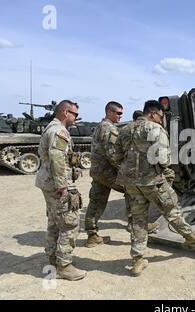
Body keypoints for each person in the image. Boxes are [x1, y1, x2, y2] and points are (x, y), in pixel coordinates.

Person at [115, 100, 195, 276]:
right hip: (152, 181)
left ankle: (138, 259)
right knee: (171, 210)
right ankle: (190, 237)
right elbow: (163, 158)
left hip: (131, 183)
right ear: (152, 113)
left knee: (138, 219)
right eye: (160, 115)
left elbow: (117, 156)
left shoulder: (125, 130)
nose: (160, 119)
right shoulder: (155, 129)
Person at [85, 102, 158, 247]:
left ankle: (92, 235)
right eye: (118, 113)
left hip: (98, 171)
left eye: (121, 114)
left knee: (96, 201)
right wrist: (127, 170)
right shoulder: (109, 128)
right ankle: (134, 225)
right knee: (132, 191)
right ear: (109, 112)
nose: (120, 116)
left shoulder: (101, 126)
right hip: (108, 172)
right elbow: (113, 155)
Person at [35, 100, 86, 281]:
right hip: (57, 185)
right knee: (69, 223)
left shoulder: (51, 127)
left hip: (48, 183)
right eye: (75, 114)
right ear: (65, 112)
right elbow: (57, 158)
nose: (76, 118)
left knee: (54, 221)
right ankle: (64, 266)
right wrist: (62, 185)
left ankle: (51, 259)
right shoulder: (60, 131)